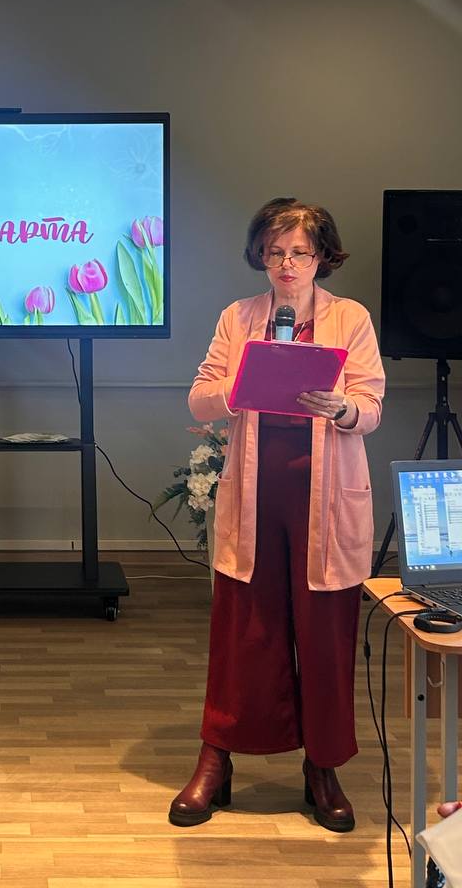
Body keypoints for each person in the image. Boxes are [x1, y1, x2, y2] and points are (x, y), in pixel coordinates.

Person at [169, 197, 384, 832]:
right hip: (255, 499)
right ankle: (217, 758)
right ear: (260, 257)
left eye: (299, 252)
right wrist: (239, 389)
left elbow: (371, 406)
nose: (287, 263)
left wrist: (341, 407)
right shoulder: (238, 318)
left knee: (325, 636)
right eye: (274, 252)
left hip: (326, 502)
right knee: (244, 634)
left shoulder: (350, 318)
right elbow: (200, 398)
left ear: (322, 257)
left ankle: (323, 765)